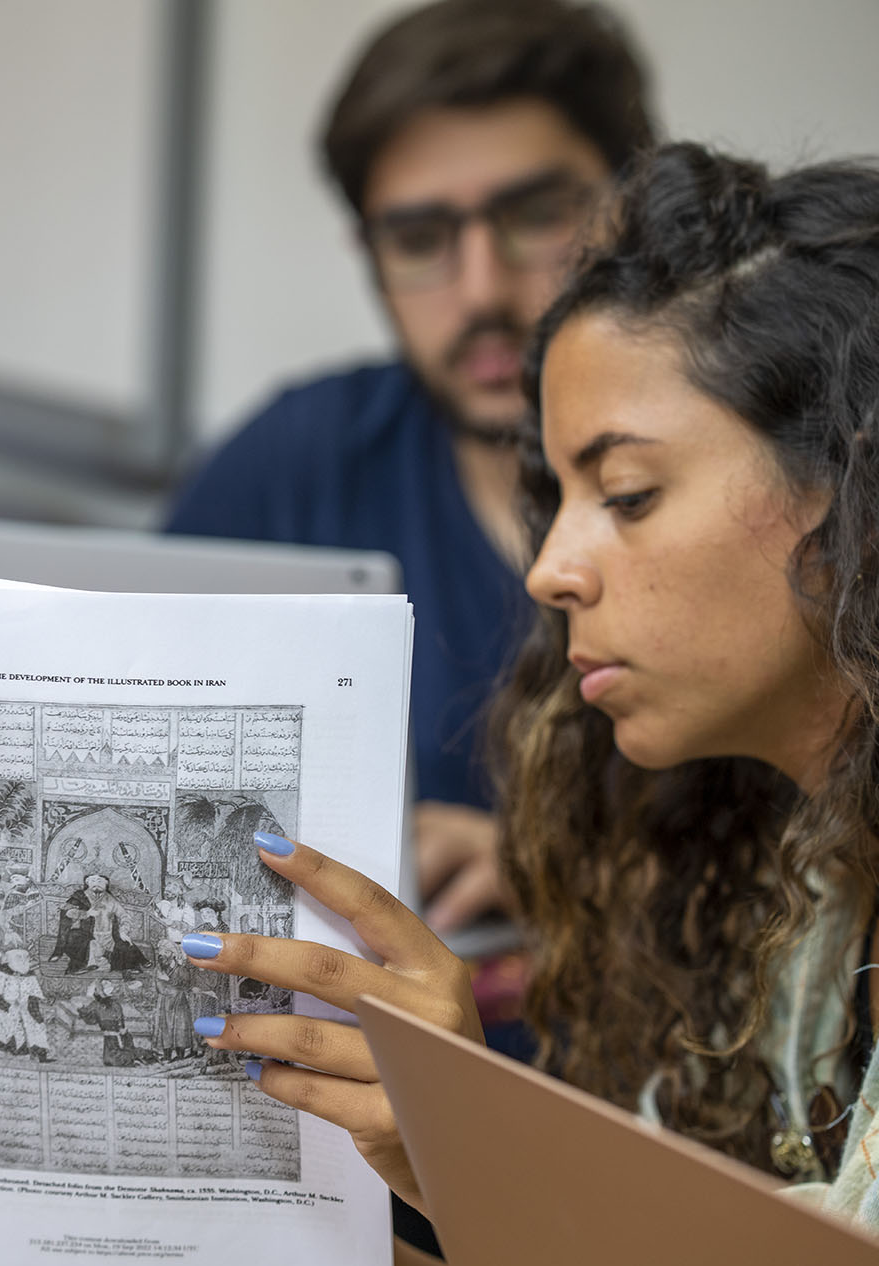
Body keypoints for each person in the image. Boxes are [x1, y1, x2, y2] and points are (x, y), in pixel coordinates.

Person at [182, 144, 879, 1266]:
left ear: (850, 489)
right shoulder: (793, 878)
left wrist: (468, 1146)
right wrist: (299, 1186)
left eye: (627, 494)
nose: (551, 568)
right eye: (554, 499)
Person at [167, 0, 654, 932]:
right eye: (421, 239)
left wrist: (563, 875)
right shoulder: (302, 457)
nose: (482, 290)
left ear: (636, 206)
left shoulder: (760, 469)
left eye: (539, 214)